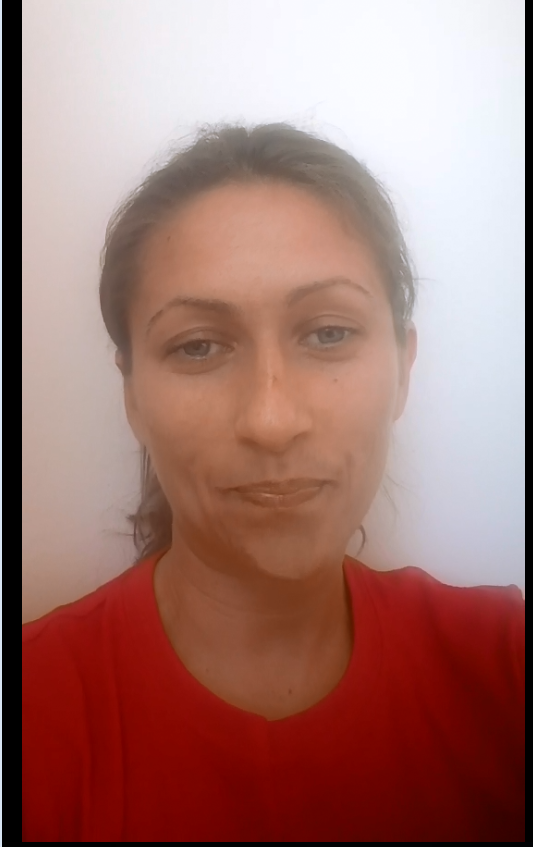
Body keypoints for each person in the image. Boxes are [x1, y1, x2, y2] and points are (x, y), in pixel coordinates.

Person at [22, 123, 524, 842]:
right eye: (198, 345)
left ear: (403, 368)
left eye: (328, 333)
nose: (270, 420)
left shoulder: (501, 666)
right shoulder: (32, 714)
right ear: (131, 395)